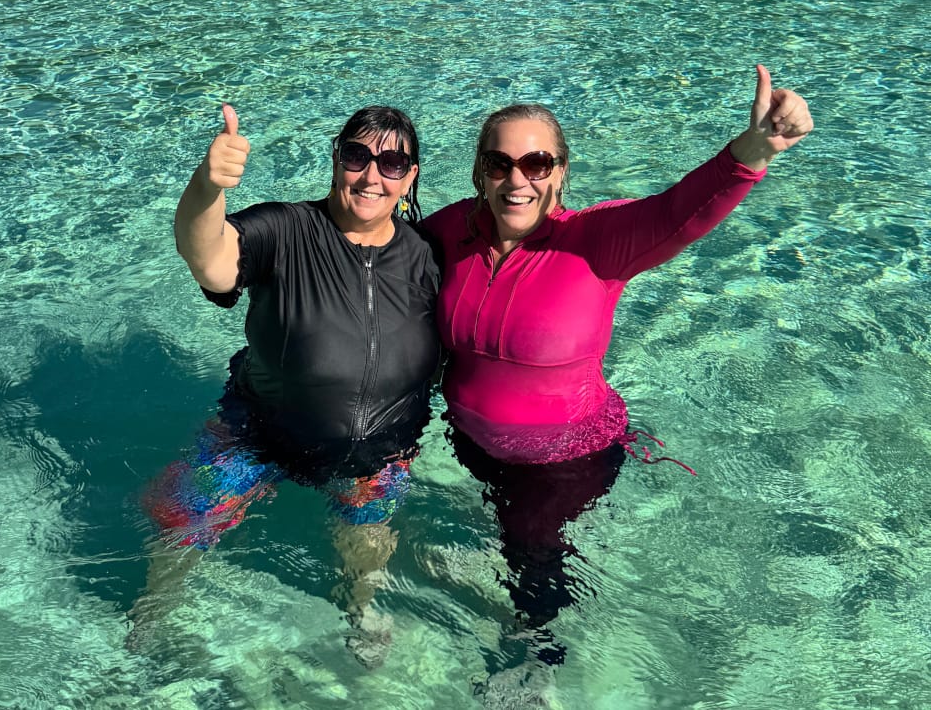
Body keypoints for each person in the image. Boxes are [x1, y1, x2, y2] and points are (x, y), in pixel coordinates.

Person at [421, 65, 813, 698]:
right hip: (471, 438)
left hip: (568, 453)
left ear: (560, 173)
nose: (517, 180)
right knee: (503, 524)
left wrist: (754, 150)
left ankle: (535, 661)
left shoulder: (597, 241)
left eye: (537, 163)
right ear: (479, 171)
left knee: (534, 550)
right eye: (500, 164)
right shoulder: (449, 231)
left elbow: (679, 211)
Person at [129, 104, 441, 670]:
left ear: (409, 176)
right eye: (357, 156)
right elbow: (209, 258)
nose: (372, 175)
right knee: (184, 519)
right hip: (259, 436)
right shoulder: (285, 229)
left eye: (392, 163)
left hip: (379, 452)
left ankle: (361, 608)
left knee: (368, 541)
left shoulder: (425, 257)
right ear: (336, 159)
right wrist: (207, 186)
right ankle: (153, 610)